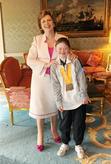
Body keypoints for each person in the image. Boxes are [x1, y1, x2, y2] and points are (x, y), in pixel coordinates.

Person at [27, 10, 68, 152]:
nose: (46, 23)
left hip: (57, 79)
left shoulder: (62, 37)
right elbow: (30, 60)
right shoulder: (37, 39)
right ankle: (40, 135)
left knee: (54, 105)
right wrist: (46, 64)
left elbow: (66, 55)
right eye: (43, 21)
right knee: (40, 106)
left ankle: (54, 131)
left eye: (49, 20)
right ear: (40, 24)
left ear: (54, 22)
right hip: (40, 79)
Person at [51, 37, 90, 159]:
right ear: (56, 50)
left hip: (78, 99)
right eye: (60, 48)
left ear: (69, 49)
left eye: (65, 48)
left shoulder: (75, 61)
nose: (62, 51)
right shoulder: (54, 66)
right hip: (64, 101)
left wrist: (84, 95)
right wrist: (58, 102)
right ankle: (65, 143)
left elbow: (81, 78)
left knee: (79, 124)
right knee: (64, 125)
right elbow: (55, 85)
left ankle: (78, 145)